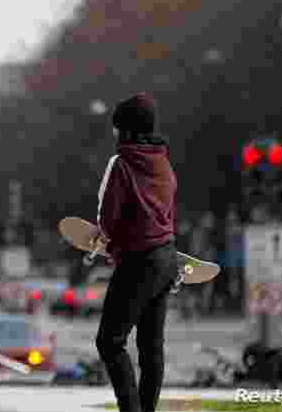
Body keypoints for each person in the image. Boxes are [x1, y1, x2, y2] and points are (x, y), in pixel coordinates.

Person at [94, 93, 179, 412]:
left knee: (110, 341)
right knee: (151, 346)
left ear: (125, 129)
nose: (114, 134)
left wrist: (107, 242)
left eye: (117, 128)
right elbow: (167, 211)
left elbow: (108, 218)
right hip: (167, 256)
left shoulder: (122, 163)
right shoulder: (163, 162)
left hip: (139, 261)